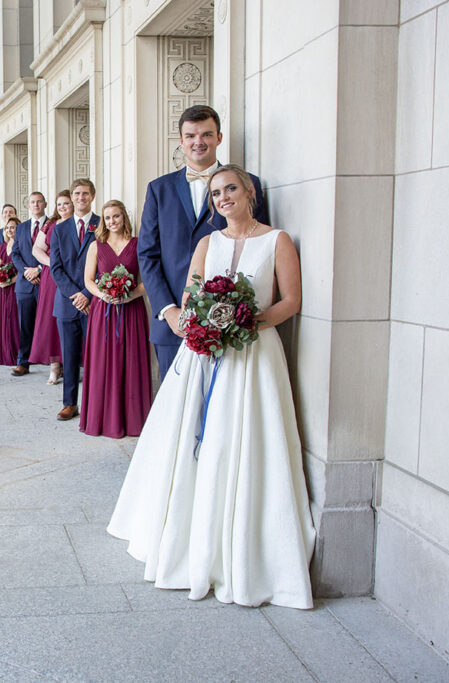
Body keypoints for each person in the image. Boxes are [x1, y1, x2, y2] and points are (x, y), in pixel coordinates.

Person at [108, 164, 314, 610]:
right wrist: (205, 322)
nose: (223, 198)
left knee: (243, 442)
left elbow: (291, 301)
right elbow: (190, 296)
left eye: (230, 189)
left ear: (249, 192)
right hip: (204, 354)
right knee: (196, 444)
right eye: (216, 193)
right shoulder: (207, 242)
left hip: (254, 356)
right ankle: (191, 537)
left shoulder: (277, 241)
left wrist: (245, 320)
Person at [138, 105, 268, 379]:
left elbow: (260, 247)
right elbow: (147, 255)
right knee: (177, 410)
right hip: (173, 322)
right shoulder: (158, 189)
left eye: (207, 134)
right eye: (191, 136)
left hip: (231, 325)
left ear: (219, 138)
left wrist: (238, 313)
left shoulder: (248, 184)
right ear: (181, 140)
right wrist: (168, 310)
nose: (199, 142)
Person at [80, 200, 151, 438]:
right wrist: (104, 295)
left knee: (131, 360)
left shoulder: (138, 244)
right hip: (104, 312)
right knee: (103, 361)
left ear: (124, 218)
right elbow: (89, 280)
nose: (112, 222)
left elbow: (146, 280)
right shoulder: (96, 246)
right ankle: (102, 420)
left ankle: (133, 420)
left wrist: (130, 295)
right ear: (103, 220)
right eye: (108, 217)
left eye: (116, 217)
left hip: (131, 310)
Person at [50, 179, 99, 421]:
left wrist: (88, 293)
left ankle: (94, 403)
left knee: (96, 355)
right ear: (72, 196)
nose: (81, 197)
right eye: (77, 193)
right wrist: (76, 294)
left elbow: (107, 264)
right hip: (67, 304)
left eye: (85, 193)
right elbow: (56, 268)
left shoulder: (102, 225)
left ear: (92, 196)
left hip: (95, 303)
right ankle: (70, 403)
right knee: (69, 356)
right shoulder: (59, 229)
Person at [29, 190, 69, 385]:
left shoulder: (81, 223)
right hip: (51, 276)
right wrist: (53, 263)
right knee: (51, 320)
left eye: (66, 204)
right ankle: (55, 366)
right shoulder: (49, 224)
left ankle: (71, 364)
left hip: (73, 275)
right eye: (59, 204)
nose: (62, 207)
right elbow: (37, 249)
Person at [10, 192, 46, 377]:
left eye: (39, 201)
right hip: (25, 285)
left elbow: (56, 252)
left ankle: (55, 362)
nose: (36, 205)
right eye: (33, 202)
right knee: (25, 325)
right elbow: (14, 253)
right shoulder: (22, 228)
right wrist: (26, 271)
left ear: (45, 204)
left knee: (49, 324)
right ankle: (23, 362)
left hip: (45, 282)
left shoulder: (53, 225)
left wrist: (39, 269)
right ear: (28, 206)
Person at [0, 217, 21, 366]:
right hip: (2, 288)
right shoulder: (3, 246)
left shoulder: (21, 245)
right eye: (7, 228)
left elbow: (22, 269)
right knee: (3, 318)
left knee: (13, 319)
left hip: (15, 286)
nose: (10, 230)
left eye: (13, 227)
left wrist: (9, 281)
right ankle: (2, 351)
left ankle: (16, 352)